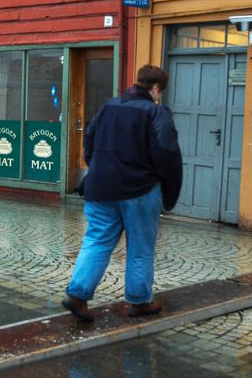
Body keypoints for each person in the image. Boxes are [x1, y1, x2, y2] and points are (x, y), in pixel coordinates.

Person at [62, 64, 182, 322]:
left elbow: (89, 141)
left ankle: (77, 295)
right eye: (160, 92)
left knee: (96, 241)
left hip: (100, 188)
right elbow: (167, 155)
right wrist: (168, 192)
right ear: (156, 89)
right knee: (140, 247)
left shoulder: (109, 106)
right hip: (139, 191)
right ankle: (139, 302)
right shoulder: (156, 112)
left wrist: (100, 169)